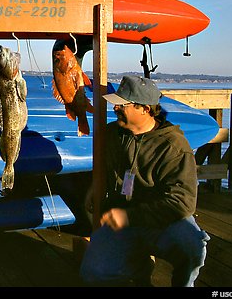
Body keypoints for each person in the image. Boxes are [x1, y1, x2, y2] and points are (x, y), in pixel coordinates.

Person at [80, 75, 210, 287]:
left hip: (161, 219)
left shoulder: (174, 146)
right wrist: (94, 187)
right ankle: (138, 270)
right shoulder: (112, 134)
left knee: (194, 246)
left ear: (145, 109)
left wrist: (129, 216)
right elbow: (104, 165)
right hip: (120, 218)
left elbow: (183, 203)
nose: (115, 109)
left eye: (122, 105)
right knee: (94, 273)